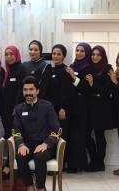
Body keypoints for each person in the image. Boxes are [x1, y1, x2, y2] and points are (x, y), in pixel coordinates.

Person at [12, 76, 61, 191]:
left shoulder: (47, 106)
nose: (28, 93)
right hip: (27, 145)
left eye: (31, 89)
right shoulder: (19, 108)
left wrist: (46, 144)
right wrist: (20, 144)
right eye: (25, 90)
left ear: (37, 91)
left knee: (39, 156)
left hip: (44, 145)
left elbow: (57, 129)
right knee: (20, 157)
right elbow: (15, 130)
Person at [65, 42, 97, 173]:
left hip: (83, 107)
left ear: (87, 53)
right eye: (77, 50)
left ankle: (81, 164)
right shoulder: (72, 66)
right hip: (71, 106)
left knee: (80, 136)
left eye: (82, 51)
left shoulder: (89, 68)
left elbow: (87, 89)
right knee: (71, 136)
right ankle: (72, 164)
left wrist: (74, 77)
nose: (79, 53)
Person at [85, 46, 115, 172]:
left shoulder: (107, 69)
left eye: (98, 55)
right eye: (93, 54)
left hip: (102, 107)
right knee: (85, 134)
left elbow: (108, 91)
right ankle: (94, 160)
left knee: (99, 135)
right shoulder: (89, 68)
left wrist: (93, 84)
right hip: (89, 106)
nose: (95, 57)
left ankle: (100, 163)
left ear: (102, 56)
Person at [42, 44, 74, 141]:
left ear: (63, 56)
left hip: (61, 110)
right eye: (54, 54)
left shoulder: (66, 70)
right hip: (50, 108)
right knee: (50, 136)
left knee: (61, 137)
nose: (55, 56)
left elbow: (68, 92)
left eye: (59, 54)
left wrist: (63, 108)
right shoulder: (50, 69)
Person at [0, 45, 24, 138]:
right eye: (6, 54)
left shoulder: (21, 68)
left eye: (11, 54)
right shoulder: (7, 70)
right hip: (6, 108)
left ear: (16, 55)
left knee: (15, 132)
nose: (9, 57)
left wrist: (16, 106)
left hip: (15, 108)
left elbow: (21, 89)